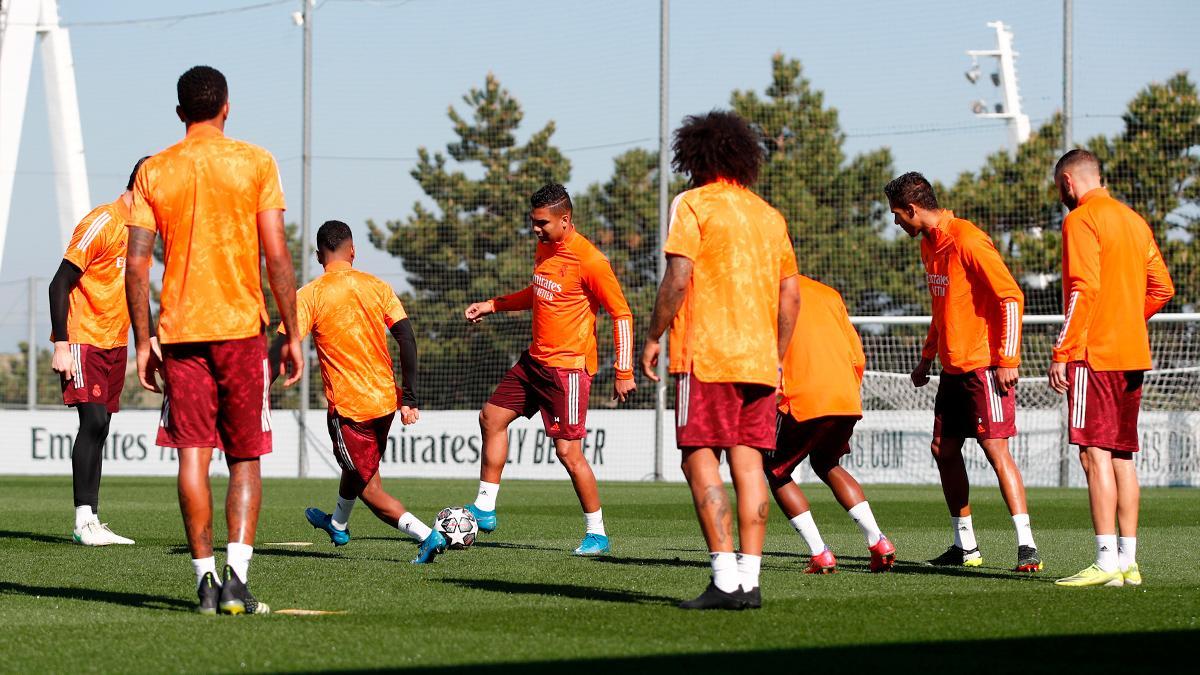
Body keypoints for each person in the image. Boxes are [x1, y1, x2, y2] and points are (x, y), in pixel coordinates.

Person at [126, 65, 302, 615]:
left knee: (192, 457)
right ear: (227, 105)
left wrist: (142, 339)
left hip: (179, 333)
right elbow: (276, 254)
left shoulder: (154, 170)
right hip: (241, 331)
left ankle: (204, 583)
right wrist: (293, 332)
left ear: (180, 112)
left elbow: (136, 265)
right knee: (245, 454)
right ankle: (237, 581)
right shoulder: (255, 161)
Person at [641, 110, 801, 610]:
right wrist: (775, 356)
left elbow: (678, 277)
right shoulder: (768, 215)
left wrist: (653, 335)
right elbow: (791, 296)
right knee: (749, 461)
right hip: (758, 361)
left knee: (698, 458)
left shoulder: (692, 203)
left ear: (692, 155)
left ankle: (724, 580)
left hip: (705, 357)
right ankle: (750, 584)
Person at [463, 183, 636, 555]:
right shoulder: (545, 247)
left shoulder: (590, 261)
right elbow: (539, 292)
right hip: (534, 362)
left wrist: (624, 369)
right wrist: (493, 305)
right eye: (533, 222)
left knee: (568, 454)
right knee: (491, 417)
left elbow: (621, 314)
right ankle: (486, 508)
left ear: (565, 219)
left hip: (568, 372)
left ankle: (597, 533)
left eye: (541, 223)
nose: (535, 229)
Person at [884, 171, 1041, 573]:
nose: (896, 222)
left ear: (913, 209)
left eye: (897, 214)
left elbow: (1011, 297)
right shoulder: (929, 247)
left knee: (994, 450)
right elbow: (942, 308)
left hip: (985, 367)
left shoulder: (967, 239)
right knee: (944, 450)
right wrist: (926, 357)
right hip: (952, 370)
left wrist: (1008, 360)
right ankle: (965, 545)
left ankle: (1027, 546)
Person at [271, 220, 446, 563]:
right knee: (356, 468)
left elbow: (279, 349)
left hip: (351, 410)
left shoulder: (310, 295)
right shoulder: (377, 286)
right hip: (384, 402)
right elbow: (407, 339)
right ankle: (337, 523)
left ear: (319, 255)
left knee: (369, 487)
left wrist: (257, 393)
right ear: (353, 251)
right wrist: (409, 397)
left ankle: (428, 535)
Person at [1049, 150, 1174, 588]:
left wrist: (1063, 350)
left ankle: (1105, 562)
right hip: (1132, 354)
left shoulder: (1080, 219)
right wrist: (1126, 318)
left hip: (1094, 355)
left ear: (1067, 182)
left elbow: (1083, 288)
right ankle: (1128, 562)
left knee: (1093, 454)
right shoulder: (1135, 221)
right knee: (1122, 457)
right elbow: (1163, 288)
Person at [48, 156, 149, 547]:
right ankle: (82, 520)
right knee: (91, 422)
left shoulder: (140, 233)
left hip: (114, 342)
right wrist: (60, 342)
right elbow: (59, 283)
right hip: (82, 339)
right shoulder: (102, 222)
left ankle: (91, 518)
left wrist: (148, 340)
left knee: (102, 426)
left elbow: (137, 289)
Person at [766, 275, 895, 574]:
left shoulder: (764, 291)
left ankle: (819, 553)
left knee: (776, 470)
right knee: (827, 462)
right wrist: (848, 393)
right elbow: (856, 354)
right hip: (845, 395)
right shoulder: (828, 293)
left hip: (803, 396)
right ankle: (878, 541)